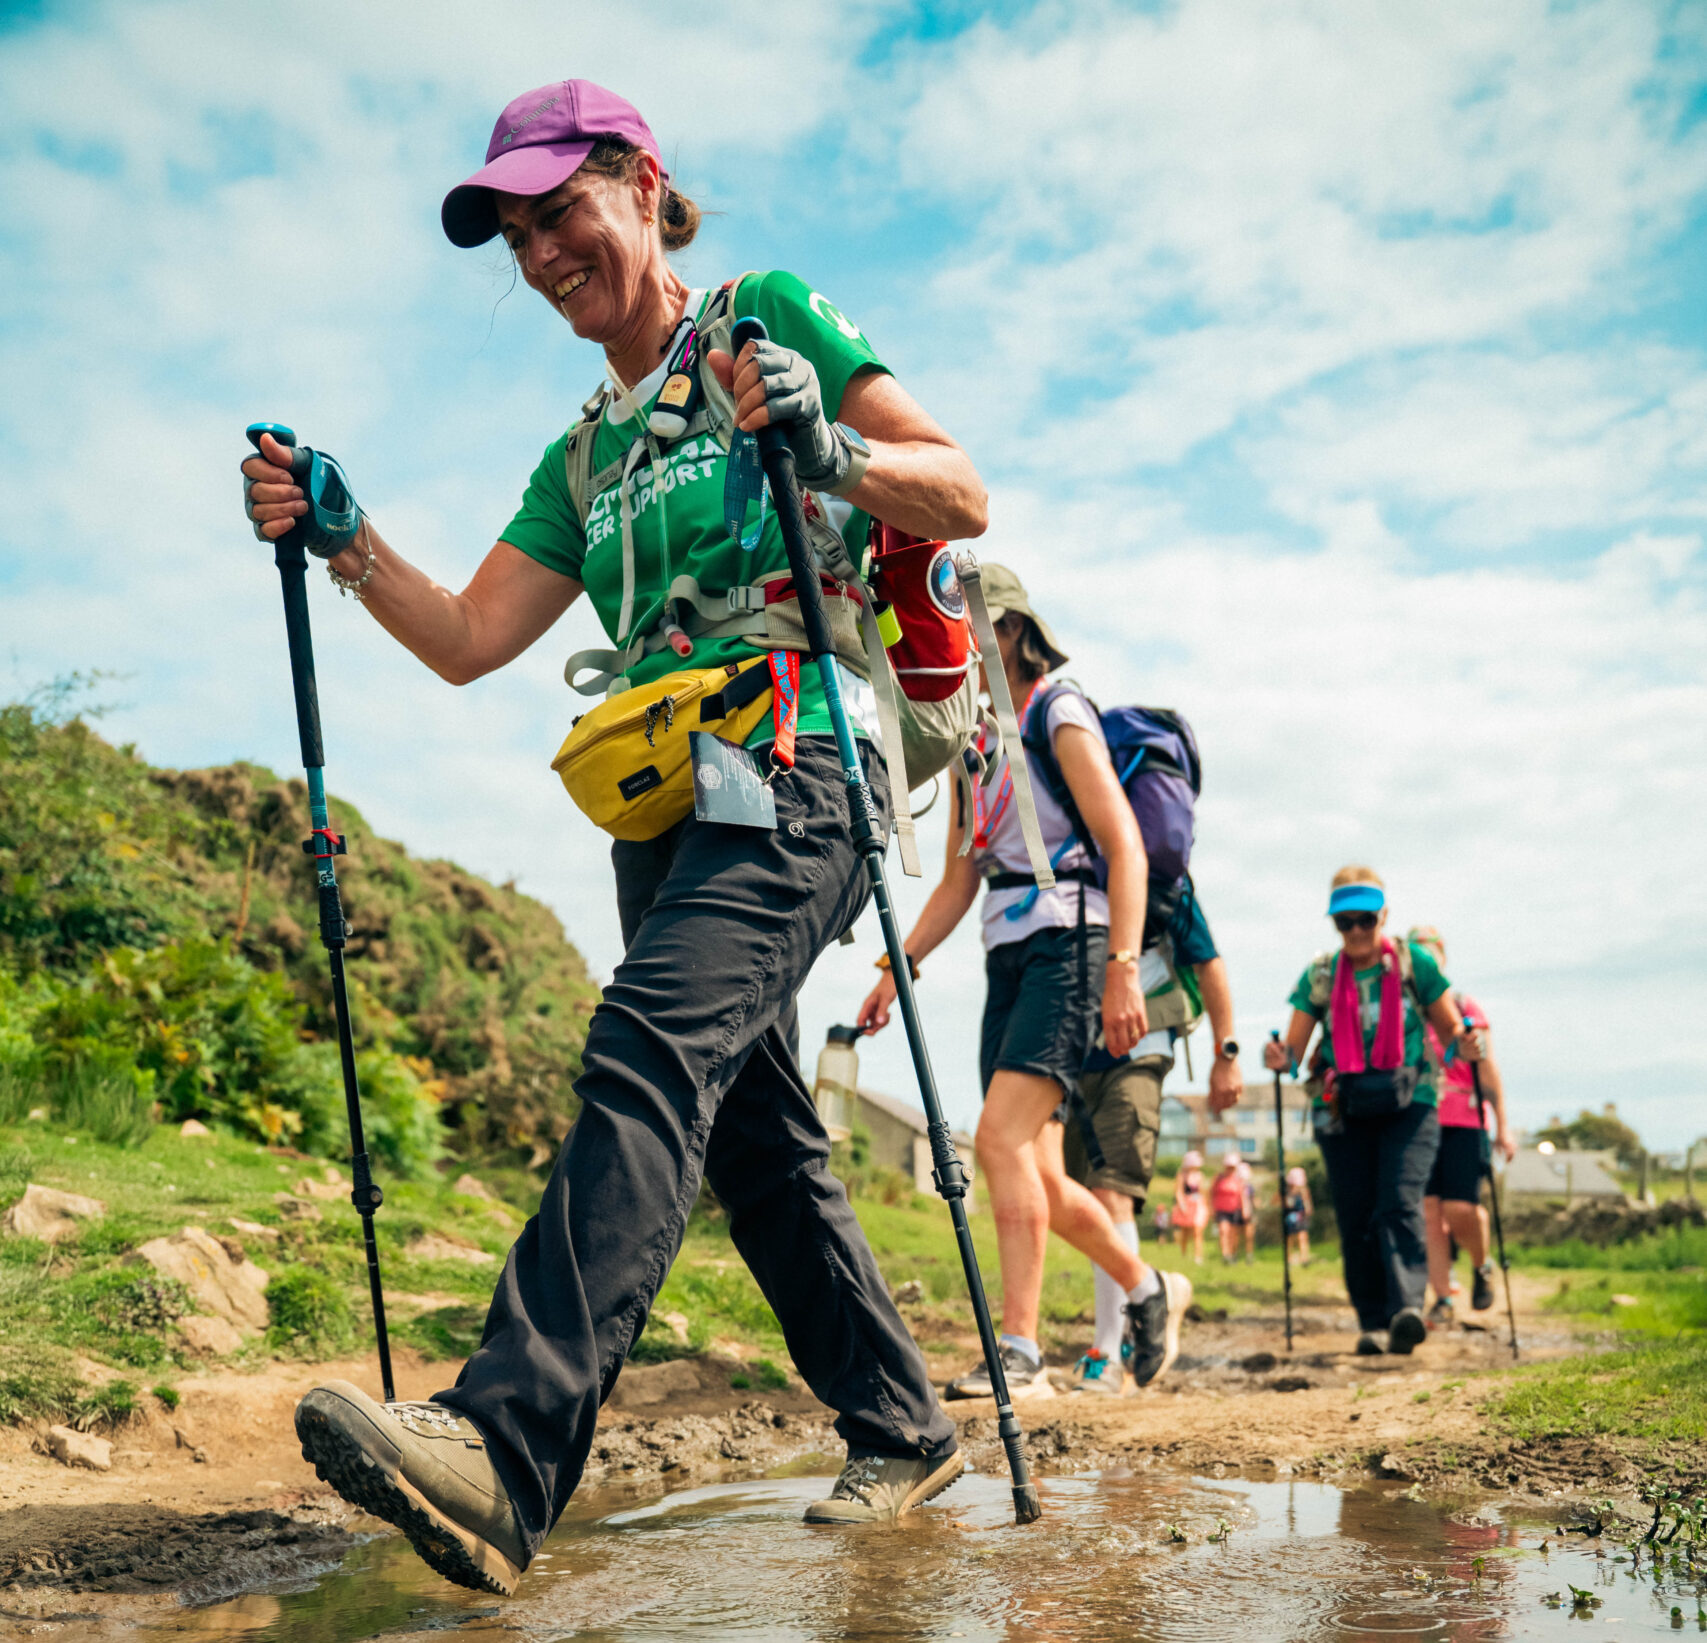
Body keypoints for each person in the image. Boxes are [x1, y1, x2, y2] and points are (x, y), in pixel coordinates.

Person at [244, 79, 989, 1594]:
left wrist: (822, 441)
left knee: (649, 1042)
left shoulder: (761, 321)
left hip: (798, 766)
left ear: (641, 184)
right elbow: (464, 635)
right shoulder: (579, 455)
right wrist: (343, 534)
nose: (536, 256)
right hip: (661, 806)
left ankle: (499, 1448)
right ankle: (903, 1428)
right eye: (514, 235)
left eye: (557, 213)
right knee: (758, 1141)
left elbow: (958, 489)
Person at [856, 566, 1192, 1402]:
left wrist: (1121, 969)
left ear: (1010, 630)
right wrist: (899, 967)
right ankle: (1149, 1287)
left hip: (1071, 946)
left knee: (996, 1140)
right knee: (1034, 1169)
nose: (954, 632)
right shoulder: (971, 737)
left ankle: (1020, 1350)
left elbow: (1125, 845)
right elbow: (959, 879)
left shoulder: (1057, 711)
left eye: (967, 617)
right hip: (1006, 952)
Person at [1262, 866, 1481, 1357]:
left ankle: (1405, 1311)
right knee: (1356, 1212)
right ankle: (1372, 1321)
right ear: (1335, 923)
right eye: (1345, 922)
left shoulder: (1413, 962)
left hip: (1413, 1102)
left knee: (1399, 1202)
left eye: (1366, 919)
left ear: (1383, 915)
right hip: (1344, 1108)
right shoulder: (1320, 975)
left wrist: (1466, 1044)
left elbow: (1449, 1035)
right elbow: (1292, 1053)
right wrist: (1276, 1057)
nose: (1358, 931)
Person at [1046, 875, 1242, 1394]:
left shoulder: (1159, 878)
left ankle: (1107, 1352)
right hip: (1070, 1054)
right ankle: (1155, 1289)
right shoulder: (1062, 867)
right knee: (1079, 1197)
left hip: (1139, 1047)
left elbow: (1209, 962)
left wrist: (1227, 1054)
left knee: (1112, 1192)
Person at [1407, 926, 1515, 1329]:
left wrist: (1503, 1125)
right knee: (1429, 1213)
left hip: (1465, 1120)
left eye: (1430, 956)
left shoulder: (1464, 1006)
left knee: (1460, 1207)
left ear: (1442, 960)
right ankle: (1442, 1297)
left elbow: (1488, 1071)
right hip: (1420, 1118)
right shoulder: (1408, 1012)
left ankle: (1481, 1263)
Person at [1172, 1150, 1209, 1264]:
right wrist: (1182, 1206)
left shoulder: (1200, 1176)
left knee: (1198, 1231)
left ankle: (1198, 1257)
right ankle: (1183, 1253)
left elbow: (1203, 1192)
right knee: (1186, 1232)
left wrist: (1205, 1204)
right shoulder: (1181, 1176)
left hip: (1198, 1206)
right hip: (1186, 1206)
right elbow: (1178, 1192)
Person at [1211, 1150, 1247, 1263]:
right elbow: (1211, 1193)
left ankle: (1232, 1253)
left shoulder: (1238, 1179)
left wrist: (1244, 1209)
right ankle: (1225, 1255)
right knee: (1223, 1231)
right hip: (1221, 1209)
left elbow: (1242, 1195)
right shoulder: (1218, 1178)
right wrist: (1210, 1208)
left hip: (1235, 1209)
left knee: (1233, 1234)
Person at [1282, 1166, 1313, 1265]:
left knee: (1302, 1237)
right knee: (1289, 1238)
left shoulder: (1304, 1191)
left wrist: (1307, 1208)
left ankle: (1304, 1259)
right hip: (1290, 1217)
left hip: (1301, 1217)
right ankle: (1288, 1259)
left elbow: (1308, 1205)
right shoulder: (1286, 1191)